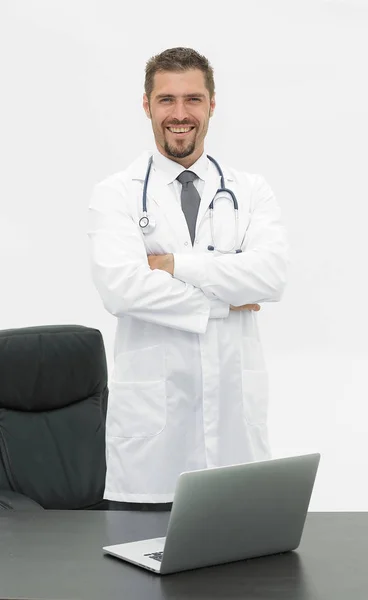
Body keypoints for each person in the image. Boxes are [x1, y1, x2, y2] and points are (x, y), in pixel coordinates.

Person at [88, 47, 289, 511]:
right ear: (146, 105)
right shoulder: (115, 194)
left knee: (245, 579)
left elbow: (271, 276)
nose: (180, 115)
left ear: (212, 105)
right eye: (166, 100)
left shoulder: (251, 190)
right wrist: (225, 299)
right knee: (140, 575)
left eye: (193, 99)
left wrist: (176, 265)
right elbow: (121, 288)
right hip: (152, 447)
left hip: (236, 435)